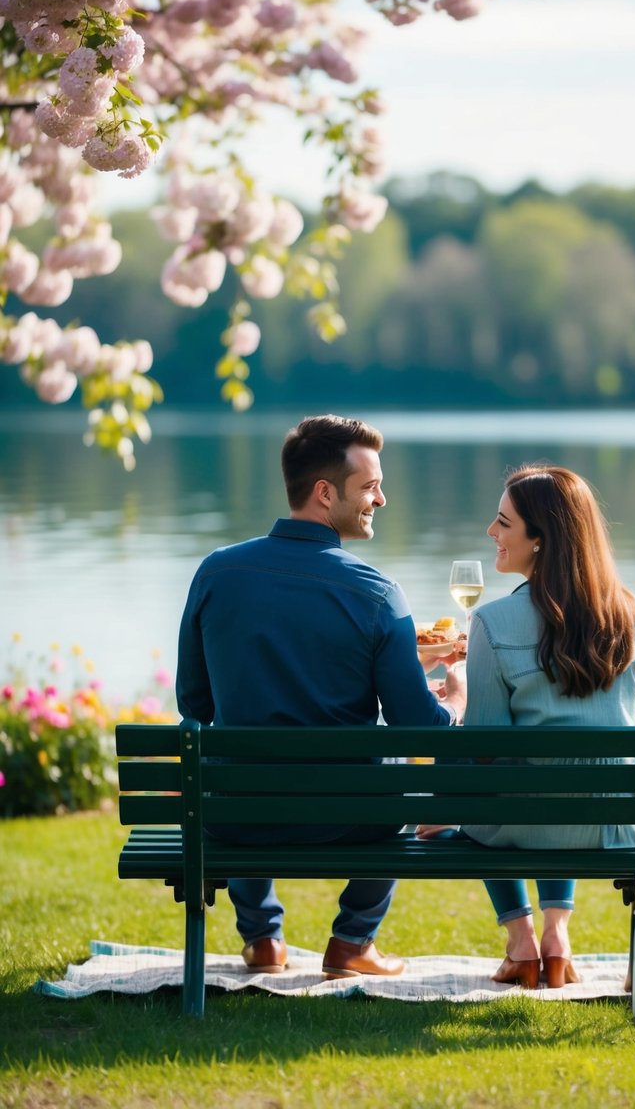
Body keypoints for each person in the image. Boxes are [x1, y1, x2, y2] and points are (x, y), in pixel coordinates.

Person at [176, 414, 466, 980]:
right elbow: (418, 727)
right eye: (370, 487)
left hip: (237, 815)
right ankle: (352, 940)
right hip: (348, 817)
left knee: (231, 752)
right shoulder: (378, 593)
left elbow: (196, 702)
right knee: (400, 766)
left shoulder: (215, 573)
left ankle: (261, 938)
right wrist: (454, 700)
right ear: (325, 492)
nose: (381, 499)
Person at [417, 464, 635, 990]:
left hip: (525, 824)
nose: (491, 533)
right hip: (624, 826)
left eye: (503, 523)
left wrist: (461, 701)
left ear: (541, 540)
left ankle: (522, 941)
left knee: (490, 778)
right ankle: (557, 937)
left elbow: (486, 754)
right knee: (563, 775)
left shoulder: (493, 623)